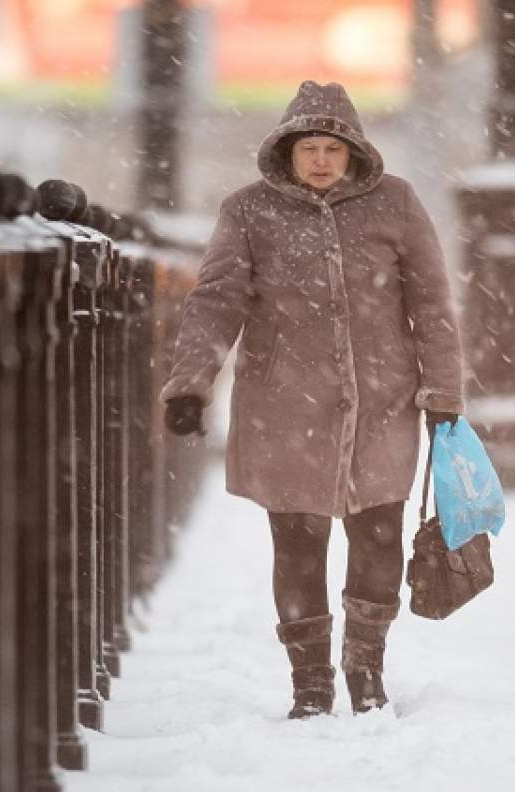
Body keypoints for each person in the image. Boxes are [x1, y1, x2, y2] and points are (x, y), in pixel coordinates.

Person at [159, 81, 463, 719]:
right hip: (283, 406)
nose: (321, 160)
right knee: (297, 543)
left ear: (354, 152)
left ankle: (365, 668)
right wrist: (191, 383)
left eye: (333, 147)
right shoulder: (248, 211)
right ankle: (310, 684)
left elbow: (432, 305)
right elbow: (217, 301)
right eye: (309, 149)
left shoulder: (396, 204)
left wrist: (443, 393)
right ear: (287, 152)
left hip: (384, 400)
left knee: (379, 537)